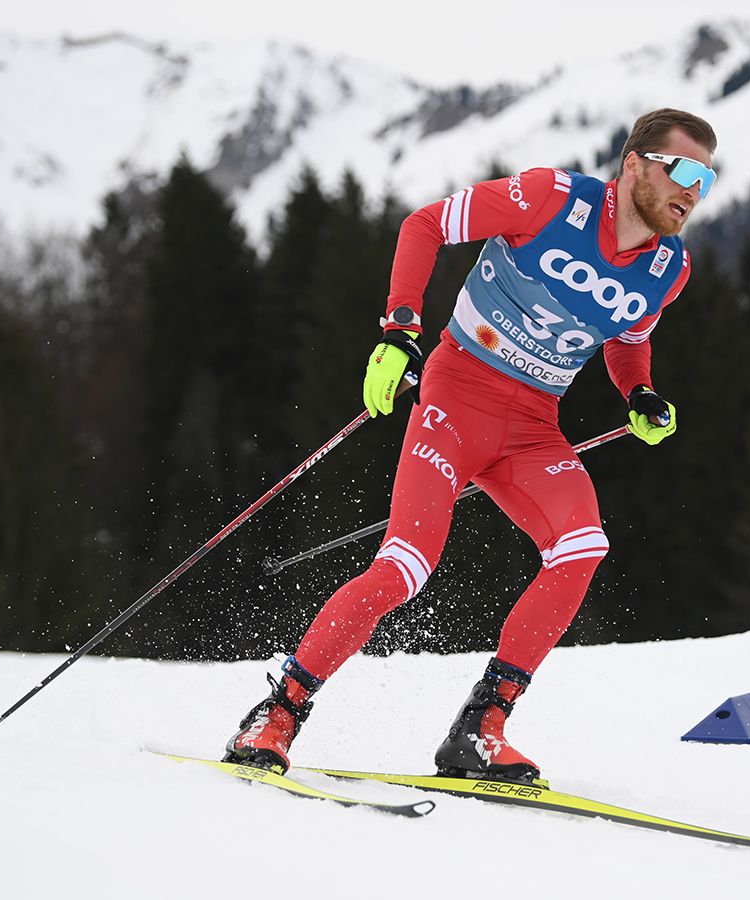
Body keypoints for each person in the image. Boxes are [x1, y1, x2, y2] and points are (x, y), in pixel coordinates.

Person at [225, 108, 718, 783]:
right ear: (633, 164)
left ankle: (480, 730)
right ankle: (277, 715)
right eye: (683, 170)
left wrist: (640, 393)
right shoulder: (551, 198)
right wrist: (399, 331)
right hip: (456, 403)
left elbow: (630, 340)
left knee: (582, 548)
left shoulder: (669, 267)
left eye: (707, 179)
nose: (693, 189)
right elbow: (423, 225)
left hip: (533, 429)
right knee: (403, 569)